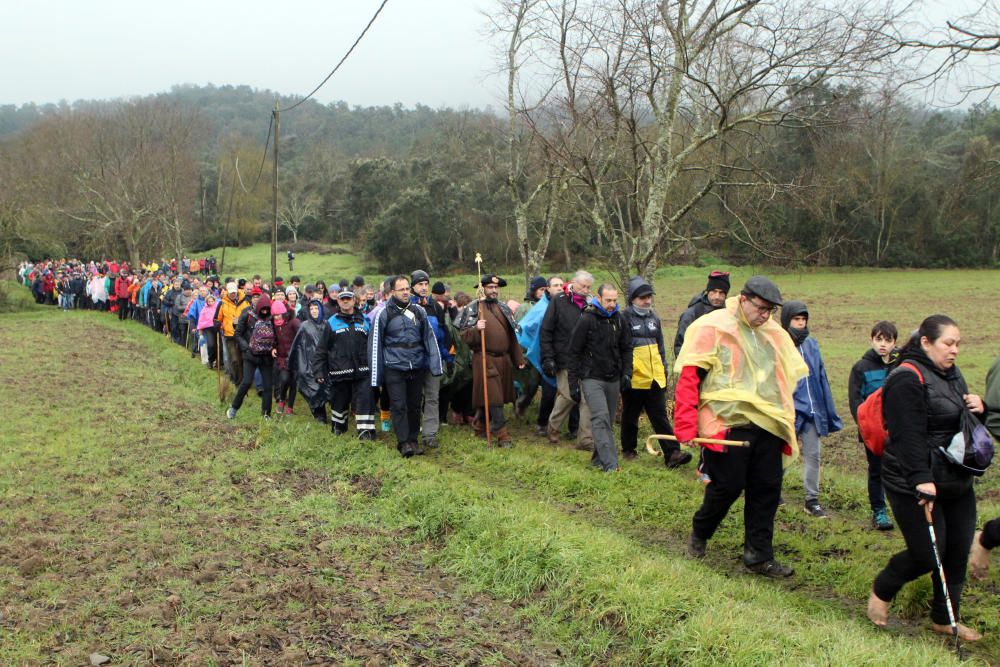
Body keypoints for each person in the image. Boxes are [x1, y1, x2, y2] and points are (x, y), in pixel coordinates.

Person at [676, 276, 808, 577]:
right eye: (761, 309)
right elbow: (689, 377)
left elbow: (781, 381)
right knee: (727, 487)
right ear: (745, 299)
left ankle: (758, 556)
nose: (765, 316)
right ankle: (700, 531)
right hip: (727, 423)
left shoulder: (773, 334)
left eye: (770, 311)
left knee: (767, 490)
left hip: (767, 424)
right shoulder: (714, 326)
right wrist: (686, 425)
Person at [867, 315, 984, 642]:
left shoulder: (950, 373)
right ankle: (883, 589)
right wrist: (920, 477)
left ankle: (945, 619)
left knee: (957, 549)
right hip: (912, 479)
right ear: (926, 342)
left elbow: (955, 417)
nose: (955, 350)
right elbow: (906, 436)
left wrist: (980, 407)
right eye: (949, 343)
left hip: (954, 475)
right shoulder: (906, 378)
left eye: (958, 343)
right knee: (927, 553)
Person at [780, 301, 842, 518]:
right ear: (787, 320)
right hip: (789, 410)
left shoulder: (812, 345)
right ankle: (773, 489)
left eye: (803, 319)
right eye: (796, 319)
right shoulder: (779, 345)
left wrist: (826, 407)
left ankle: (811, 500)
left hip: (812, 411)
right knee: (783, 453)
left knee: (813, 455)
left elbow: (821, 376)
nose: (801, 323)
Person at [369, 275, 443, 457]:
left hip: (416, 366)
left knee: (414, 405)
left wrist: (436, 365)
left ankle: (413, 440)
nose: (405, 292)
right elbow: (375, 344)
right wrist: (376, 375)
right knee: (399, 405)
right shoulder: (383, 314)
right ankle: (403, 443)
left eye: (407, 289)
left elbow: (429, 339)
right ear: (392, 292)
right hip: (394, 366)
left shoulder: (419, 311)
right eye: (401, 289)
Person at [621, 276, 691, 468]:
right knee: (630, 415)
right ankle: (628, 450)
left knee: (660, 416)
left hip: (655, 377)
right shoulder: (624, 317)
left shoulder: (654, 318)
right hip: (634, 377)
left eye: (649, 296)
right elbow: (621, 347)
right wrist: (625, 372)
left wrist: (664, 368)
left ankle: (672, 453)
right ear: (633, 299)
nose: (647, 301)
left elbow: (660, 346)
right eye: (643, 297)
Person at [568, 283, 632, 472]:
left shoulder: (619, 320)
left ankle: (597, 458)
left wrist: (627, 372)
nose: (612, 304)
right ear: (599, 298)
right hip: (591, 378)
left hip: (613, 378)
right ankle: (610, 464)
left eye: (614, 300)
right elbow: (573, 352)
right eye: (608, 300)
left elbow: (627, 348)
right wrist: (573, 383)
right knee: (600, 418)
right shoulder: (587, 319)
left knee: (608, 420)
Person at [456, 274, 525, 447]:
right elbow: (463, 336)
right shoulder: (474, 308)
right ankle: (501, 433)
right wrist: (476, 330)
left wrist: (518, 358)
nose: (494, 290)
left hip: (503, 360)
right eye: (490, 287)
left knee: (495, 396)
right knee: (494, 396)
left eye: (496, 288)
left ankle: (479, 425)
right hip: (485, 358)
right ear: (483, 288)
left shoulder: (503, 308)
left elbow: (511, 336)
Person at [848, 321, 899, 530]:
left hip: (898, 429)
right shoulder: (861, 367)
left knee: (901, 470)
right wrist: (867, 427)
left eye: (888, 340)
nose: (883, 345)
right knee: (877, 471)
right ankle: (879, 511)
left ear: (895, 342)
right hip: (873, 432)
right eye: (879, 339)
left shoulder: (901, 365)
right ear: (872, 340)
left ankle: (904, 510)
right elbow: (855, 401)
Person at [541, 270, 594, 449]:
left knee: (587, 398)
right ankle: (553, 426)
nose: (585, 290)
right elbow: (546, 330)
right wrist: (548, 357)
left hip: (586, 359)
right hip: (563, 356)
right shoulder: (560, 300)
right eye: (582, 286)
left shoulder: (591, 304)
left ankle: (585, 438)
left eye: (588, 287)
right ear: (574, 283)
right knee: (569, 395)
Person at [314, 290, 375, 439]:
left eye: (348, 298)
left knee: (365, 402)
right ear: (338, 302)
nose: (345, 301)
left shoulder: (365, 320)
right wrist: (319, 371)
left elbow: (373, 346)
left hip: (363, 371)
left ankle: (365, 433)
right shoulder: (332, 322)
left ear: (354, 300)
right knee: (339, 402)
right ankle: (339, 428)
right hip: (339, 371)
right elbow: (321, 349)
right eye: (342, 299)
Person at [410, 270, 453, 451]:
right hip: (413, 362)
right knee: (413, 399)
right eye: (420, 284)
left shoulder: (435, 306)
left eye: (426, 284)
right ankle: (411, 432)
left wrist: (449, 357)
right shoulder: (407, 306)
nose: (424, 287)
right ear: (413, 287)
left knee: (432, 398)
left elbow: (443, 334)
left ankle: (429, 434)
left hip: (432, 361)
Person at [227, 293, 276, 419]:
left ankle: (266, 413)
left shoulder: (272, 318)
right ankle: (234, 408)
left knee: (268, 386)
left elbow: (276, 336)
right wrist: (246, 348)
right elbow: (237, 334)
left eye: (267, 309)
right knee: (246, 382)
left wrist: (274, 348)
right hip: (250, 355)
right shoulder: (247, 315)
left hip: (266, 357)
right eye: (263, 309)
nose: (265, 311)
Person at [289, 298, 331, 423]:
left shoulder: (327, 324)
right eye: (311, 308)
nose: (314, 311)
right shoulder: (304, 326)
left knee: (327, 388)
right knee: (314, 388)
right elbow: (297, 346)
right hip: (310, 363)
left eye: (316, 308)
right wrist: (297, 365)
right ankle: (319, 414)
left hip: (326, 362)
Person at [673, 271, 730, 357]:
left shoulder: (729, 313)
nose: (717, 297)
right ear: (708, 291)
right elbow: (680, 346)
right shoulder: (692, 313)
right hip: (696, 366)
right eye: (714, 292)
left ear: (726, 295)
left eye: (721, 293)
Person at [271, 300, 300, 415]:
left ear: (283, 313)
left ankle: (290, 408)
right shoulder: (274, 324)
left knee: (293, 383)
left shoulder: (293, 322)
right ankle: (282, 400)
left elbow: (301, 332)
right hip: (282, 357)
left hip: (295, 357)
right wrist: (273, 347)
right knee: (284, 379)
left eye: (278, 315)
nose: (277, 318)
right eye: (274, 315)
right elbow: (274, 338)